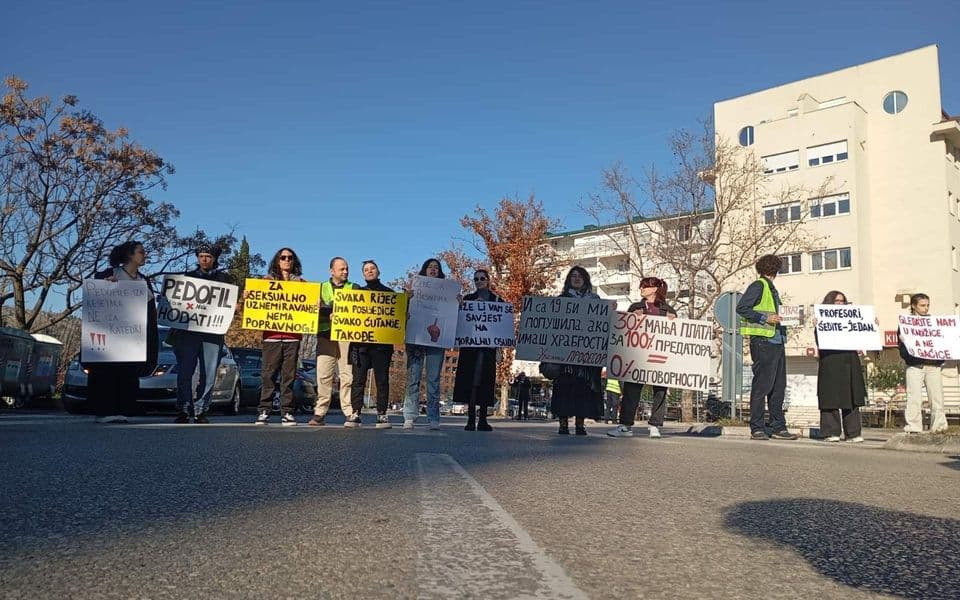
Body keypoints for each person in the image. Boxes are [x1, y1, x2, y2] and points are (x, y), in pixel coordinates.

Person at [86, 241, 159, 423]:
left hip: (132, 338)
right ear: (129, 255)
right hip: (109, 337)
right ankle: (104, 410)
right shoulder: (109, 274)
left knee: (128, 373)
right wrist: (105, 285)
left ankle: (123, 408)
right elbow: (95, 298)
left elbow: (149, 310)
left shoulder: (143, 281)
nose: (144, 255)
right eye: (141, 252)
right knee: (107, 373)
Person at [736, 255, 799, 441]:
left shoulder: (771, 289)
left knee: (778, 387)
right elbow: (742, 308)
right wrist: (765, 318)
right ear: (776, 270)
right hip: (763, 342)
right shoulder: (759, 286)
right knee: (762, 386)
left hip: (777, 341)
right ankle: (757, 427)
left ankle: (778, 426)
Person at [608, 277, 677, 439]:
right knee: (631, 390)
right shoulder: (636, 307)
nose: (641, 290)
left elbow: (675, 334)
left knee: (660, 390)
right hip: (637, 357)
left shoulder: (668, 310)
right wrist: (632, 316)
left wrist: (673, 321)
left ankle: (655, 425)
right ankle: (625, 425)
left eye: (645, 287)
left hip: (659, 357)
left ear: (654, 289)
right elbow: (625, 329)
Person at [172, 244, 233, 424]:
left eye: (208, 256)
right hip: (188, 332)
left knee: (209, 372)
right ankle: (183, 408)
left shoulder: (225, 279)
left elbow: (230, 304)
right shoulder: (186, 278)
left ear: (214, 258)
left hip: (212, 333)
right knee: (185, 371)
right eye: (201, 256)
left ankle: (200, 410)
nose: (204, 259)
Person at [550, 266, 603, 435]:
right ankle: (563, 423)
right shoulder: (561, 300)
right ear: (569, 280)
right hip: (565, 356)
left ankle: (580, 424)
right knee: (564, 389)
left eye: (580, 276)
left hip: (586, 357)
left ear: (586, 279)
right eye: (573, 276)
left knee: (584, 390)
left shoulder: (595, 301)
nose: (577, 278)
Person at [254, 248, 304, 426]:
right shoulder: (265, 282)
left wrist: (315, 303)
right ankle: (264, 410)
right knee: (268, 375)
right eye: (283, 257)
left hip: (292, 336)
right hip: (271, 336)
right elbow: (255, 304)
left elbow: (309, 307)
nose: (287, 260)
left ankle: (287, 412)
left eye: (290, 258)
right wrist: (247, 296)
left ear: (294, 261)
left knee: (289, 376)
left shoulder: (302, 284)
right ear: (277, 260)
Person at [452, 269, 505, 431]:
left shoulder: (497, 300)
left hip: (488, 349)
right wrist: (459, 306)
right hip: (470, 348)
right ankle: (470, 419)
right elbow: (459, 319)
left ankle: (482, 419)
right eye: (476, 279)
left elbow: (502, 324)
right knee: (470, 382)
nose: (479, 281)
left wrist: (501, 347)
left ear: (488, 280)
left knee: (485, 382)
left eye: (482, 278)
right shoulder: (468, 299)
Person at [345, 260, 395, 429]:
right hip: (360, 346)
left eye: (372, 268)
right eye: (366, 270)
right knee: (358, 380)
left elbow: (396, 317)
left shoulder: (390, 294)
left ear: (378, 271)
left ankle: (382, 414)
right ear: (363, 274)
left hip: (381, 347)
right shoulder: (356, 294)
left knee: (382, 380)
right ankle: (355, 412)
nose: (369, 271)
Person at [309, 257, 356, 427]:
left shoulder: (354, 288)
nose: (345, 272)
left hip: (346, 337)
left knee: (347, 375)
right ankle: (320, 412)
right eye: (342, 269)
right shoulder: (320, 289)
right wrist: (325, 314)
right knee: (323, 375)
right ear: (332, 271)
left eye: (347, 269)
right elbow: (309, 311)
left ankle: (349, 412)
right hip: (325, 335)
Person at [814, 290, 866, 443]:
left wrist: (870, 325)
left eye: (842, 301)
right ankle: (831, 432)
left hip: (849, 361)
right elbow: (820, 341)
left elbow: (861, 333)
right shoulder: (822, 319)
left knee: (851, 396)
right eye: (837, 301)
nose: (840, 304)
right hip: (830, 361)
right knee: (830, 396)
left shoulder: (851, 317)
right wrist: (817, 326)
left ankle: (853, 433)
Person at [403, 258, 449, 430]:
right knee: (413, 378)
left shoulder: (447, 293)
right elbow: (404, 312)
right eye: (430, 267)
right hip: (416, 338)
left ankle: (433, 417)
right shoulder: (415, 290)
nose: (433, 270)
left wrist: (456, 302)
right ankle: (409, 415)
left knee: (434, 379)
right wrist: (406, 300)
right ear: (424, 270)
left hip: (437, 341)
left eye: (436, 267)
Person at [899, 293, 948, 434]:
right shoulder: (906, 322)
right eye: (922, 305)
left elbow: (941, 342)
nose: (926, 308)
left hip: (933, 365)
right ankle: (914, 426)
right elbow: (902, 347)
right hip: (915, 366)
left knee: (937, 397)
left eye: (927, 305)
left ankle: (939, 426)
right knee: (914, 397)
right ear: (913, 306)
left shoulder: (933, 322)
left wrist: (940, 359)